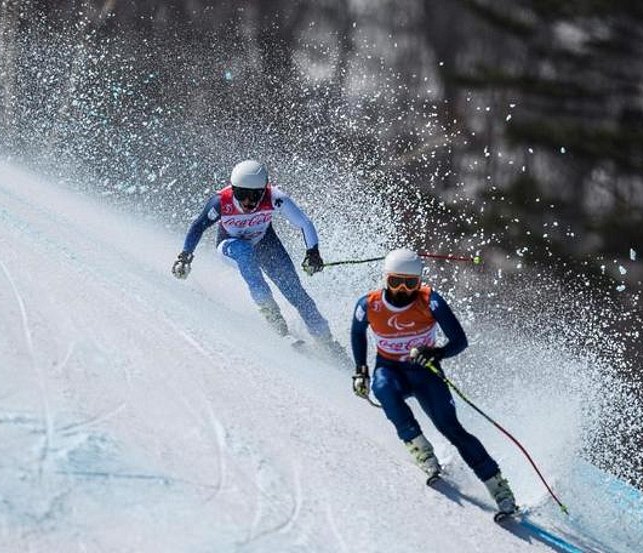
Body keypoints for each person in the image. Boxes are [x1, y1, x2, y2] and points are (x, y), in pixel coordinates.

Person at [349, 248, 517, 514]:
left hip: (425, 373)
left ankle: (499, 488)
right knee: (382, 389)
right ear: (385, 279)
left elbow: (459, 341)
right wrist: (361, 369)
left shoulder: (430, 301)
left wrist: (435, 352)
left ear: (420, 282)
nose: (402, 290)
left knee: (451, 428)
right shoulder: (369, 305)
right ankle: (422, 451)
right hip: (390, 369)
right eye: (395, 282)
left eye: (410, 283)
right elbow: (358, 333)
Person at [172, 159, 344, 355]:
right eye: (241, 194)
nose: (247, 202)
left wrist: (313, 252)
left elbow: (304, 222)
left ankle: (326, 342)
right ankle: (275, 322)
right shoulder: (221, 201)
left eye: (254, 196)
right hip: (230, 245)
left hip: (264, 243)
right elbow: (198, 225)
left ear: (263, 191)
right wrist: (185, 257)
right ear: (234, 189)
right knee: (245, 253)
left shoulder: (275, 196)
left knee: (295, 291)